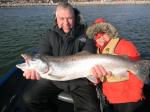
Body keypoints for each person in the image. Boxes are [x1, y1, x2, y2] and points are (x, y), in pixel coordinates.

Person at [22, 2, 100, 112]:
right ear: (56, 18)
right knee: (29, 99)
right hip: (53, 78)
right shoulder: (49, 35)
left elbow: (89, 53)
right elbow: (42, 55)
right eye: (61, 18)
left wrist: (95, 72)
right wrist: (34, 69)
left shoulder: (87, 33)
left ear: (75, 17)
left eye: (69, 18)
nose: (66, 23)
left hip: (80, 81)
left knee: (92, 109)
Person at [87, 18, 145, 112]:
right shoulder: (97, 52)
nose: (100, 37)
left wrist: (135, 96)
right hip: (110, 99)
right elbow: (99, 77)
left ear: (110, 33)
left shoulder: (125, 45)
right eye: (96, 35)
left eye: (103, 33)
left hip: (128, 100)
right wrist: (95, 79)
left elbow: (139, 71)